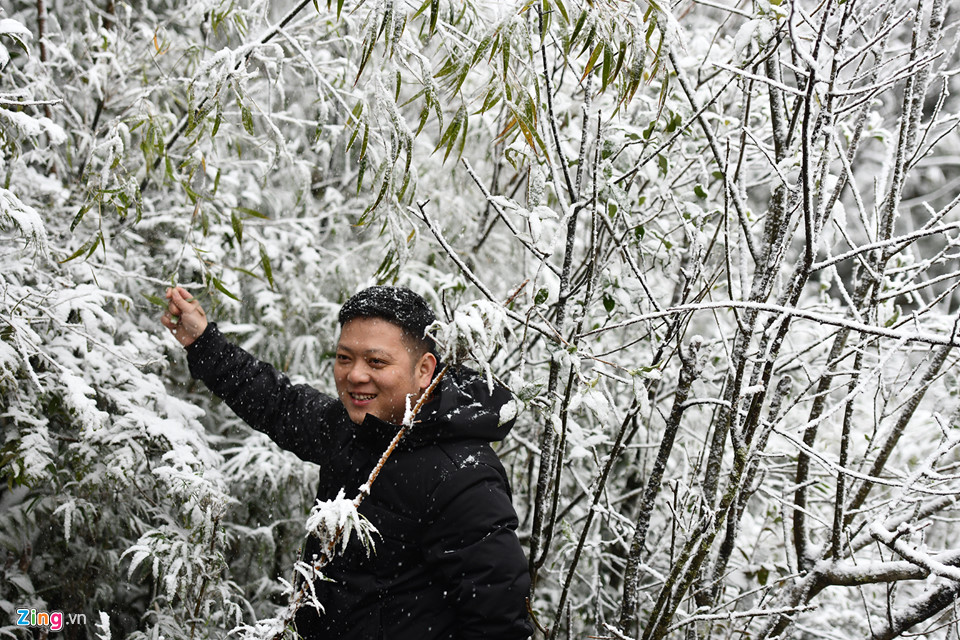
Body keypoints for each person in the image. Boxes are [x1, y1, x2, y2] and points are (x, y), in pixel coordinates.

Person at [161, 285, 533, 640]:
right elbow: (278, 403)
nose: (355, 375)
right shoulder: (356, 430)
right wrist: (204, 341)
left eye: (376, 361)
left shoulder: (462, 476)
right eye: (344, 358)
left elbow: (497, 623)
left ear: (424, 370)